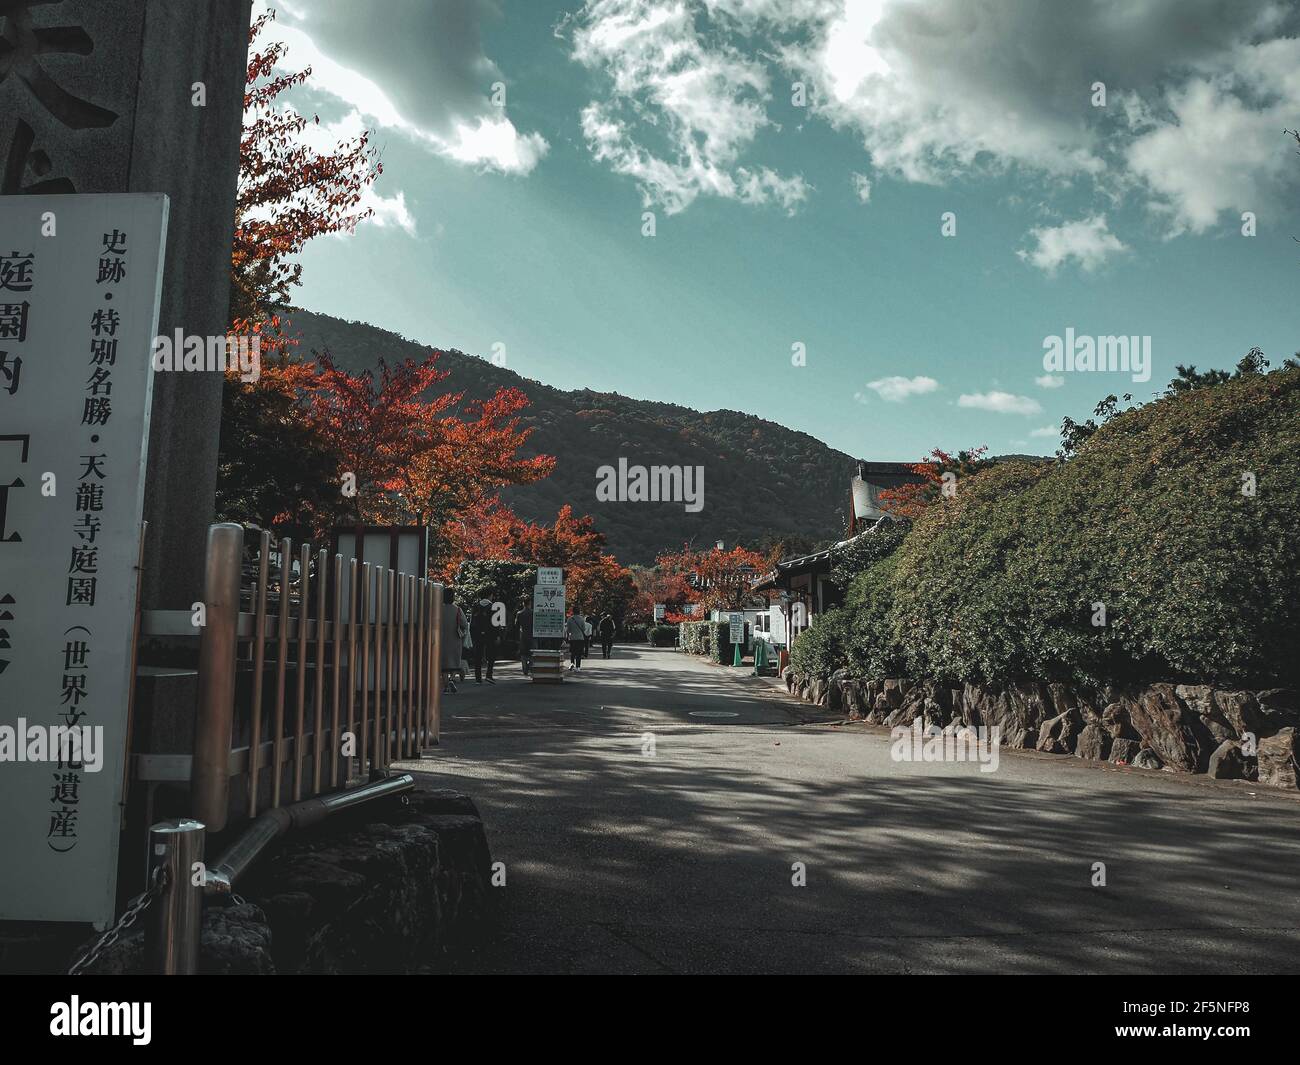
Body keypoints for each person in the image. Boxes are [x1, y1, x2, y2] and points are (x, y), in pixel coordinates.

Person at [440, 585, 466, 694]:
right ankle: (452, 679)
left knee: (443, 664)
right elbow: (464, 623)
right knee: (455, 661)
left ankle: (445, 687)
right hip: (455, 638)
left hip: (442, 639)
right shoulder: (458, 609)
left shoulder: (438, 609)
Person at [469, 596, 499, 683]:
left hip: (477, 634)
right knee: (491, 655)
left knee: (478, 656)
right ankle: (489, 675)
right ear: (490, 595)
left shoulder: (476, 606)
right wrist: (497, 635)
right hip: (490, 634)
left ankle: (478, 678)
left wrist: (472, 634)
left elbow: (472, 621)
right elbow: (495, 622)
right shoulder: (493, 606)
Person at [514, 598, 534, 676]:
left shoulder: (519, 613)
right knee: (532, 653)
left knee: (523, 653)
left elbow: (516, 625)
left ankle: (525, 668)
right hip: (532, 635)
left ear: (523, 604)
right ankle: (531, 667)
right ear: (529, 603)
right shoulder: (533, 613)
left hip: (522, 635)